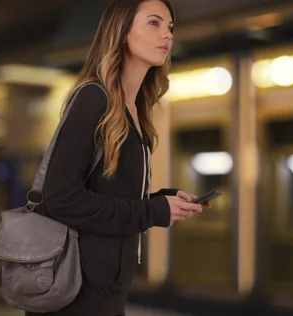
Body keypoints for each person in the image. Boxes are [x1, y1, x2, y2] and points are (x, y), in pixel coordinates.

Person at [30, 0, 209, 315]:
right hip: (75, 292)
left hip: (108, 292)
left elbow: (108, 195)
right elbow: (61, 198)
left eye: (170, 27)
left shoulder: (135, 109)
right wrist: (151, 211)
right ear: (122, 30)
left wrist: (163, 200)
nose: (167, 35)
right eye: (153, 23)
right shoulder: (93, 99)